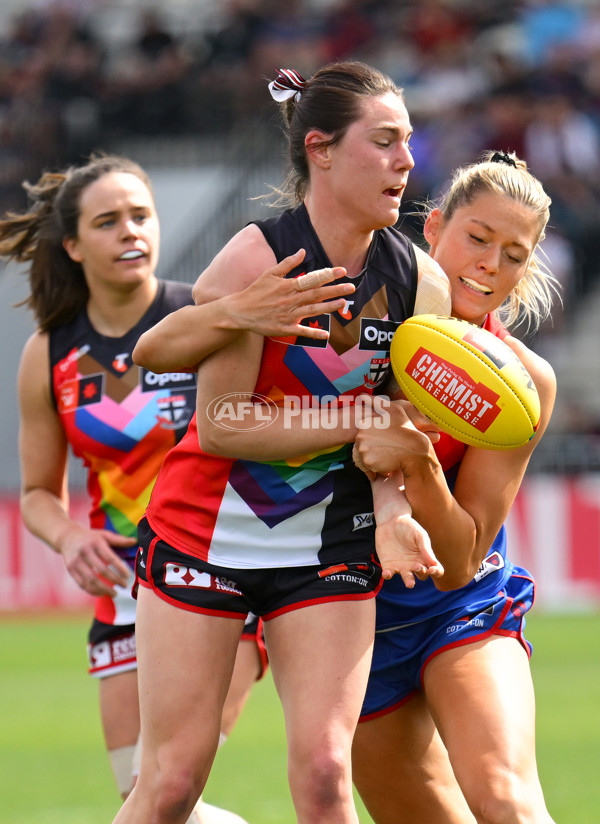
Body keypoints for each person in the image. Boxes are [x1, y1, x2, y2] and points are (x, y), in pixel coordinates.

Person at [114, 61, 448, 824]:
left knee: (329, 774)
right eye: (387, 141)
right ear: (322, 150)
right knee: (169, 786)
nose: (407, 162)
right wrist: (360, 421)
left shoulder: (419, 284)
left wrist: (395, 507)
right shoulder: (257, 259)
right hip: (204, 539)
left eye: (409, 143)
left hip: (329, 546)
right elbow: (227, 424)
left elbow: (391, 437)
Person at [2, 153, 355, 824]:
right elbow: (39, 495)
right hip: (124, 589)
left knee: (159, 787)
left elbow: (255, 424)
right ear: (73, 245)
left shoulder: (207, 312)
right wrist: (70, 535)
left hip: (219, 564)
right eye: (108, 222)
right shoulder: (48, 353)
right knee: (152, 799)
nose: (132, 232)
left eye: (142, 216)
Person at [351, 151, 559, 824]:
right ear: (434, 228)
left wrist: (418, 463)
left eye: (514, 253)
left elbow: (462, 559)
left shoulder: (526, 386)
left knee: (506, 802)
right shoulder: (360, 329)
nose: (491, 263)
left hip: (459, 604)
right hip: (341, 616)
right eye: (477, 237)